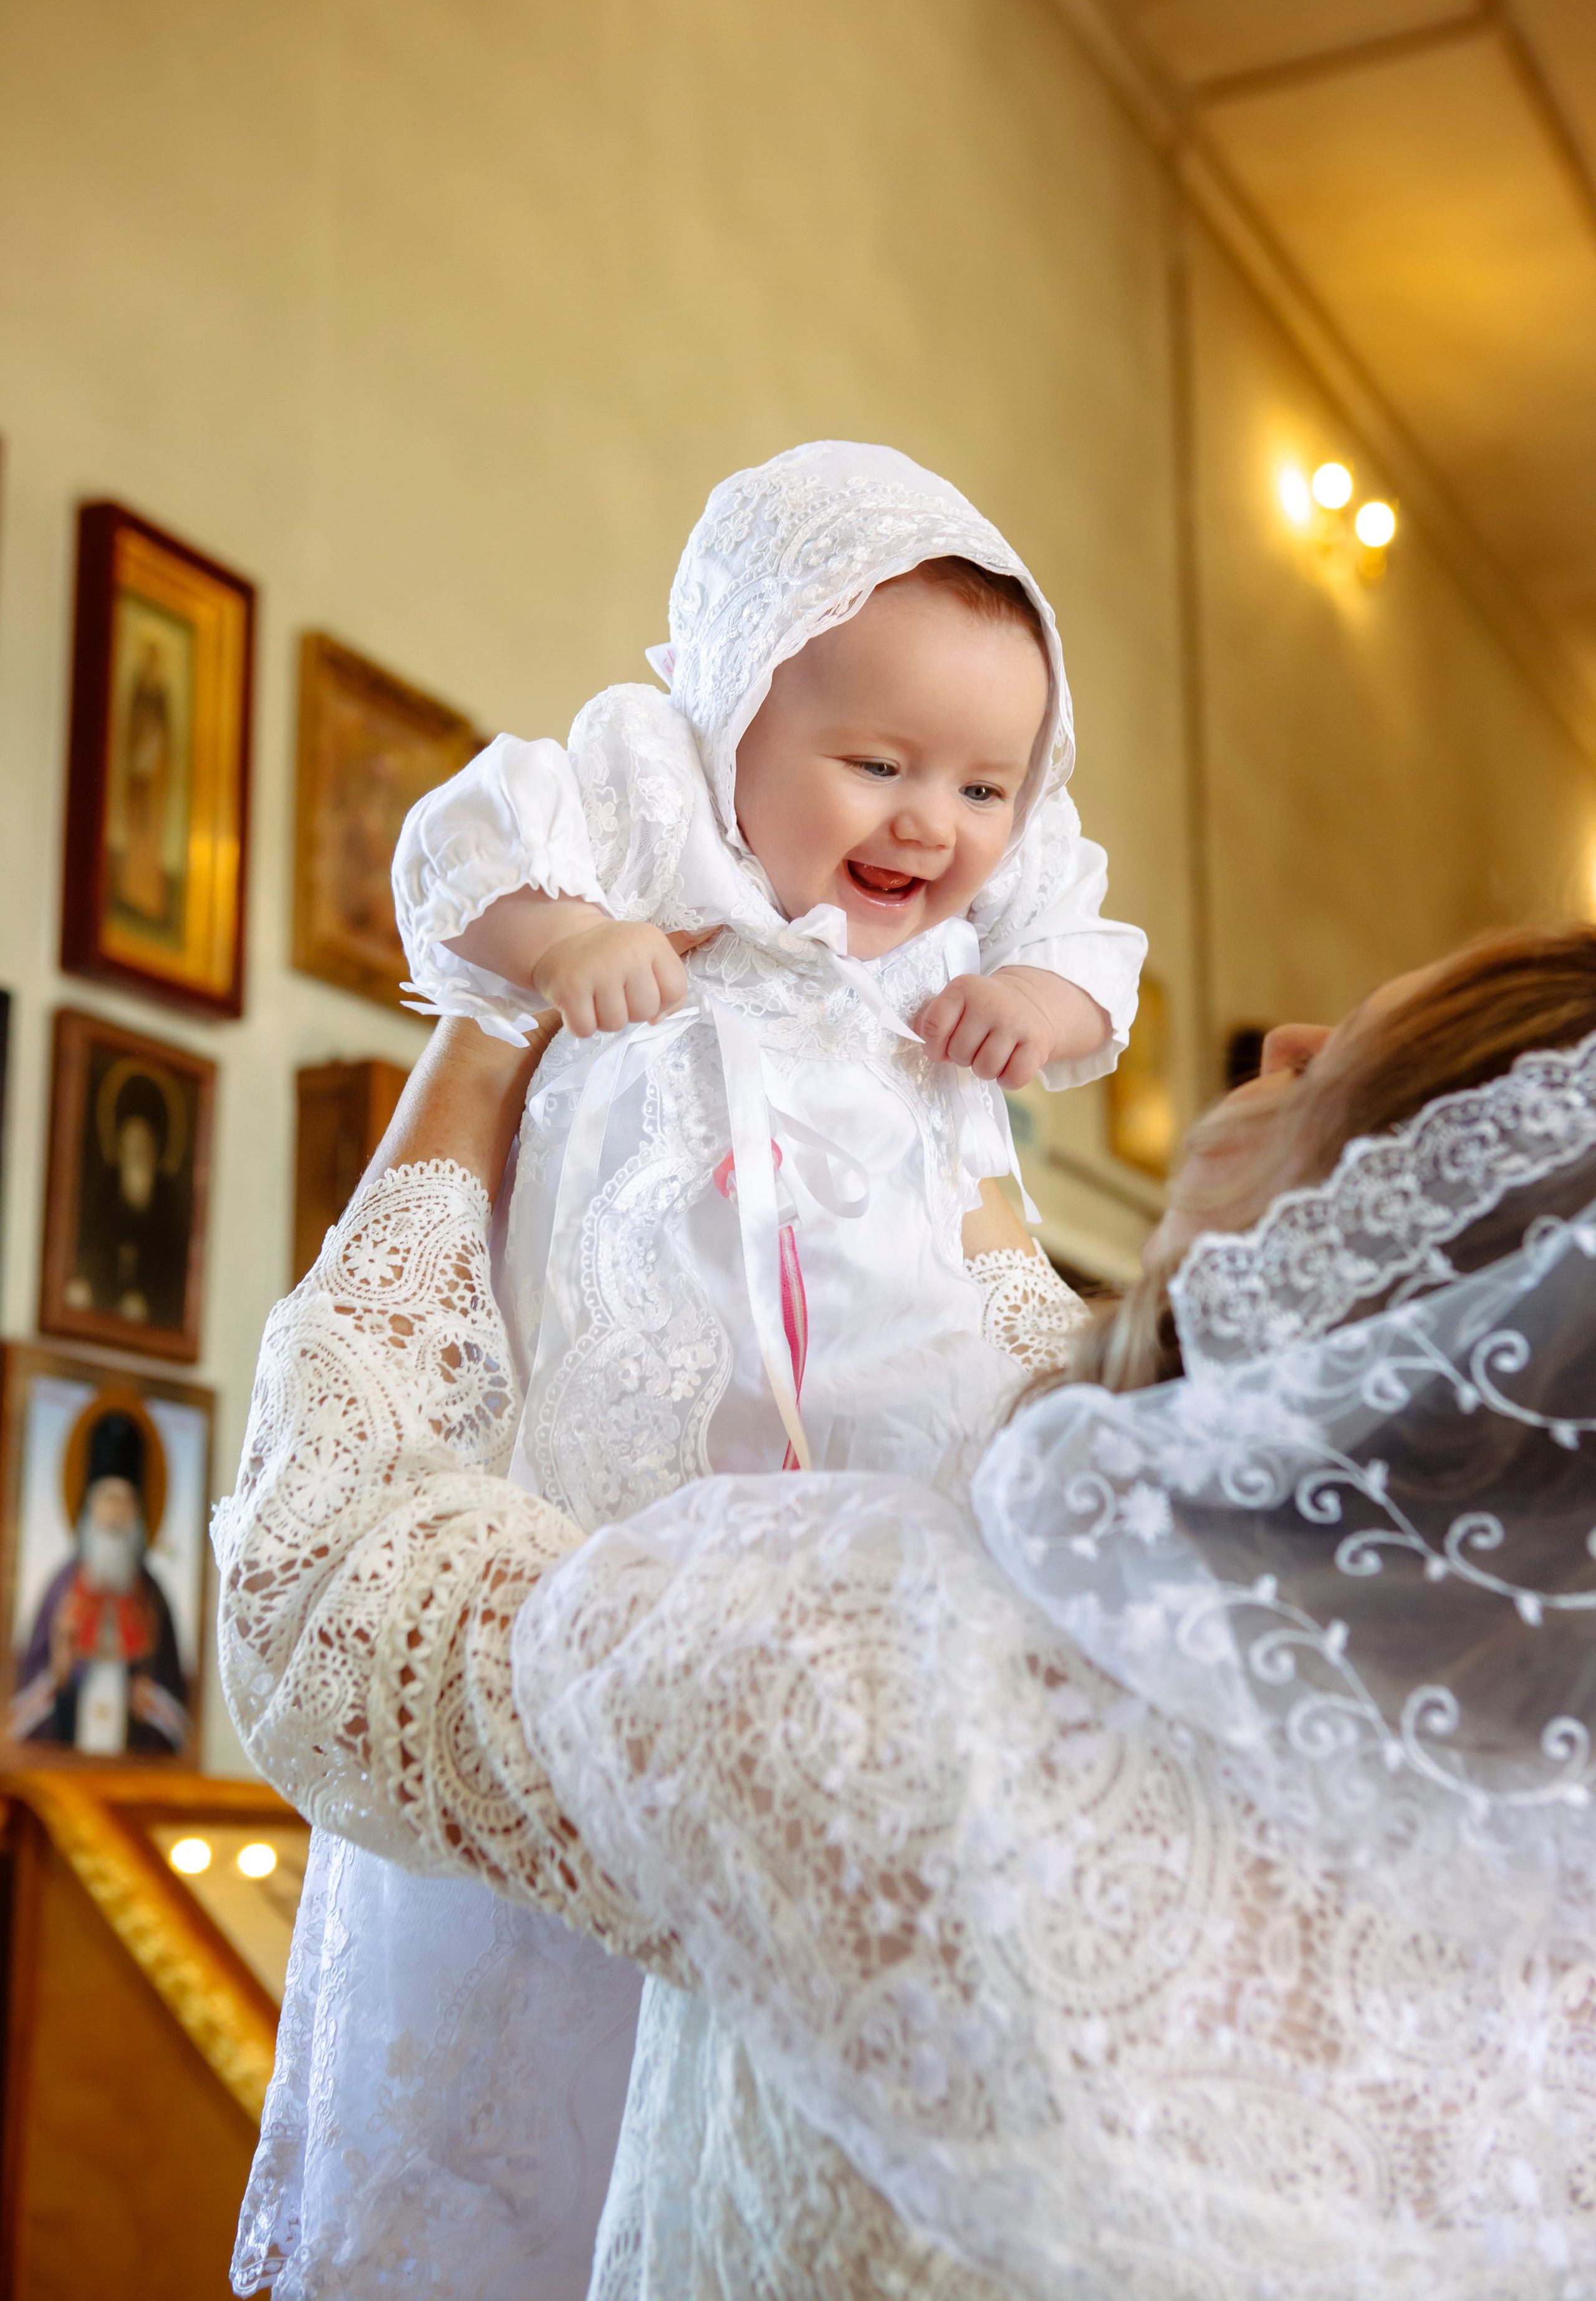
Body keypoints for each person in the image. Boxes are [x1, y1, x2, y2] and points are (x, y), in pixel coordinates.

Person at [218, 924, 1596, 2297]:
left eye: (1359, 1069)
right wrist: (951, 1147)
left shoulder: (889, 1681)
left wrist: (482, 1028)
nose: (1293, 1037)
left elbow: (331, 1588)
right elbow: (1036, 1369)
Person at [392, 439, 1145, 1514]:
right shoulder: (663, 812)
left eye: (985, 789)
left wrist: (1033, 1004)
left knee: (918, 1502)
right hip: (654, 1325)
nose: (932, 822)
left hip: (901, 1344)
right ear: (735, 716)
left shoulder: (981, 913)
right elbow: (466, 848)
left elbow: (1091, 952)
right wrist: (566, 941)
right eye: (879, 767)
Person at [13, 1408, 188, 1753]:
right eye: (108, 1499)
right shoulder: (60, 1589)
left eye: (126, 1501)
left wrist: (150, 1699)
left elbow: (180, 1715)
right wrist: (60, 1676)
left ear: (139, 1515)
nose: (116, 1514)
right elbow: (21, 1710)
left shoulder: (154, 1598)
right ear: (88, 1509)